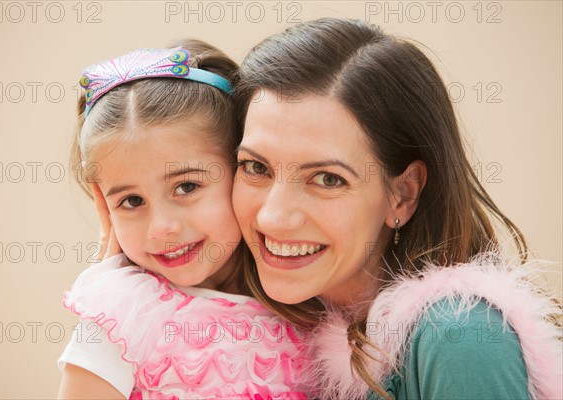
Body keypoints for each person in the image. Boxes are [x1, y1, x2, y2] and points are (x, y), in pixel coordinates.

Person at [231, 18, 562, 399]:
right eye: (256, 168)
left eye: (327, 179)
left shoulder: (459, 338)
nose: (273, 216)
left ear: (402, 195)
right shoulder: (265, 333)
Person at [57, 41, 312, 400]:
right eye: (131, 201)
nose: (162, 227)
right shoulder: (120, 321)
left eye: (186, 186)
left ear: (244, 170)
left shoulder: (308, 300)